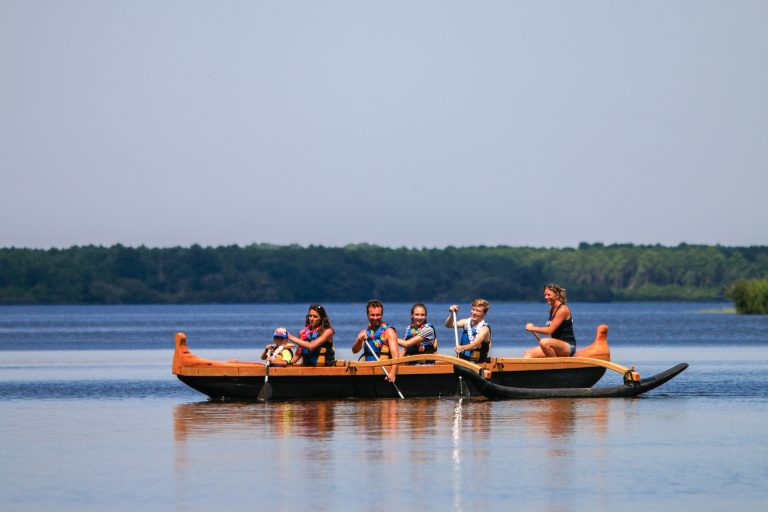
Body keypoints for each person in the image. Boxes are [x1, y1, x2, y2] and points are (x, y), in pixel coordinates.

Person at [352, 299, 399, 382]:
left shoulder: (389, 331)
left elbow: (396, 357)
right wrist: (359, 340)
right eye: (372, 315)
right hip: (367, 371)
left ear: (382, 315)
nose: (375, 318)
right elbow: (354, 350)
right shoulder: (364, 332)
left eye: (378, 315)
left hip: (384, 372)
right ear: (367, 315)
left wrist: (392, 372)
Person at [524, 283, 576, 358]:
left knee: (544, 342)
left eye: (548, 295)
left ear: (557, 295)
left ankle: (555, 366)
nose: (546, 297)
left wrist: (532, 328)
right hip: (557, 346)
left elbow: (549, 330)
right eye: (545, 295)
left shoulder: (562, 310)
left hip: (568, 346)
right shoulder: (551, 310)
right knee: (528, 353)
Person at [445, 299, 492, 363]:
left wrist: (462, 348)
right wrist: (453, 315)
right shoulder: (465, 322)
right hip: (463, 361)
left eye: (478, 311)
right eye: (473, 309)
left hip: (478, 363)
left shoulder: (484, 328)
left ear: (484, 313)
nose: (474, 313)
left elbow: (475, 345)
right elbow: (449, 325)